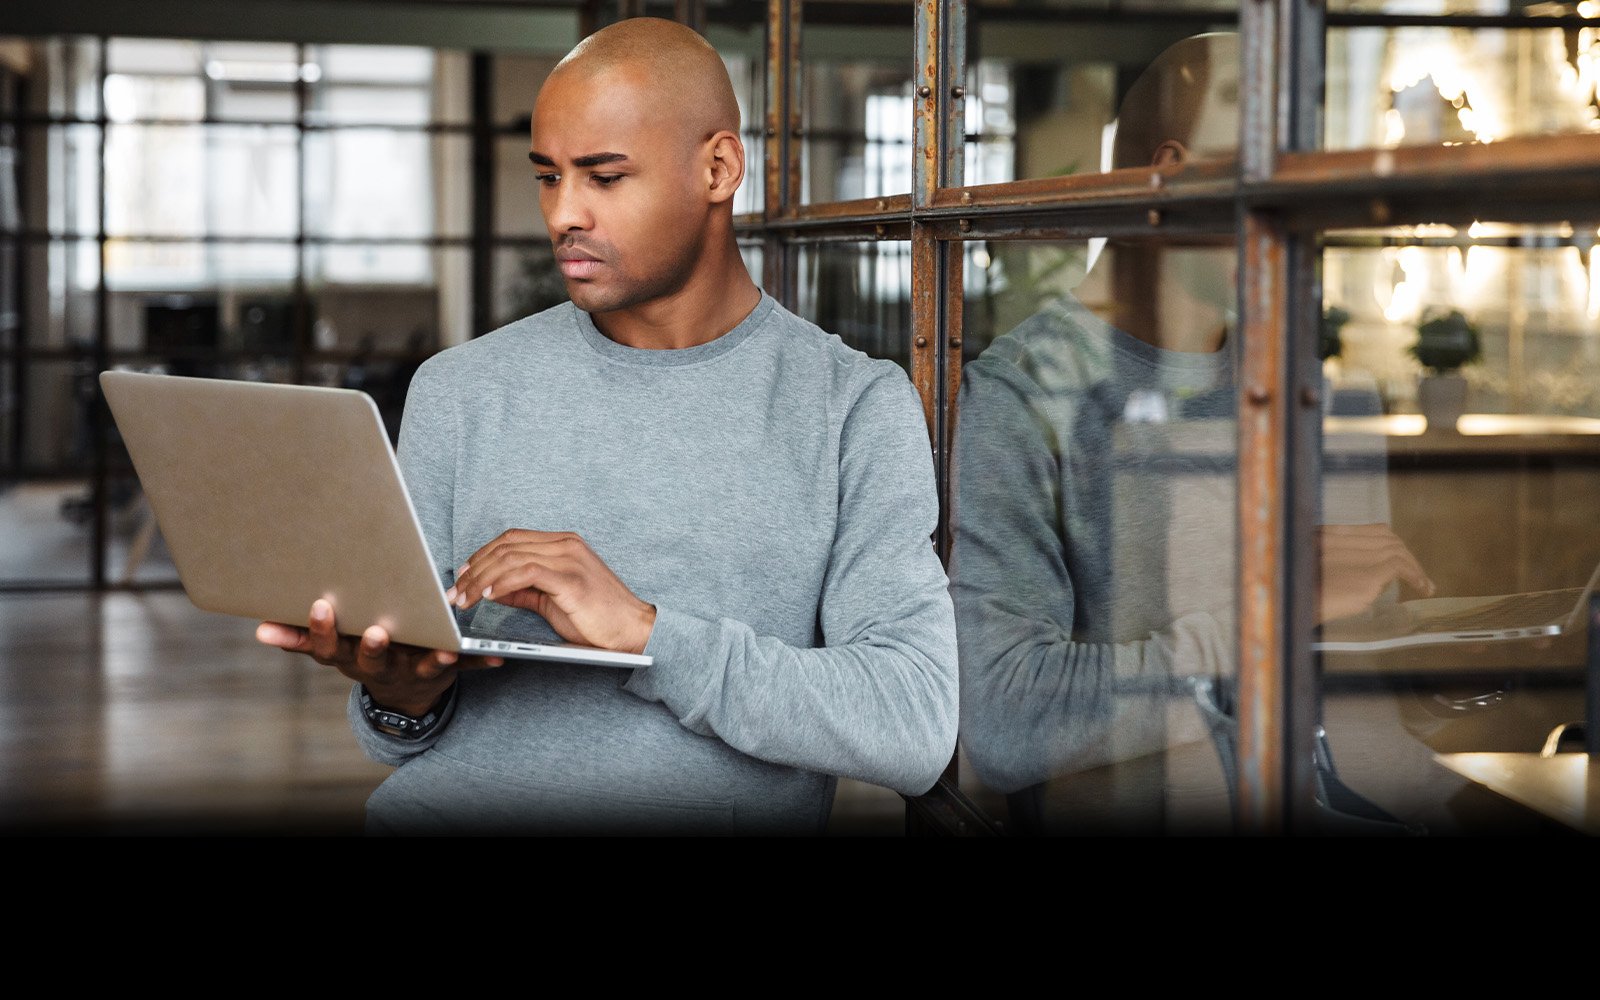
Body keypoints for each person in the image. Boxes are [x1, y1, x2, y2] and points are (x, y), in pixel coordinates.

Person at [254, 17, 958, 835]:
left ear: (719, 168)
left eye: (605, 177)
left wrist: (645, 634)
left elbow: (911, 725)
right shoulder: (459, 390)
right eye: (549, 177)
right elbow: (403, 736)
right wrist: (400, 695)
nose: (564, 215)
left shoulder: (852, 406)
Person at [950, 32, 1433, 834]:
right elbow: (1005, 723)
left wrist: (1443, 674)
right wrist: (1269, 617)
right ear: (1171, 173)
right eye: (1266, 179)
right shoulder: (1022, 399)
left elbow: (1336, 699)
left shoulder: (1295, 386)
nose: (1296, 213)